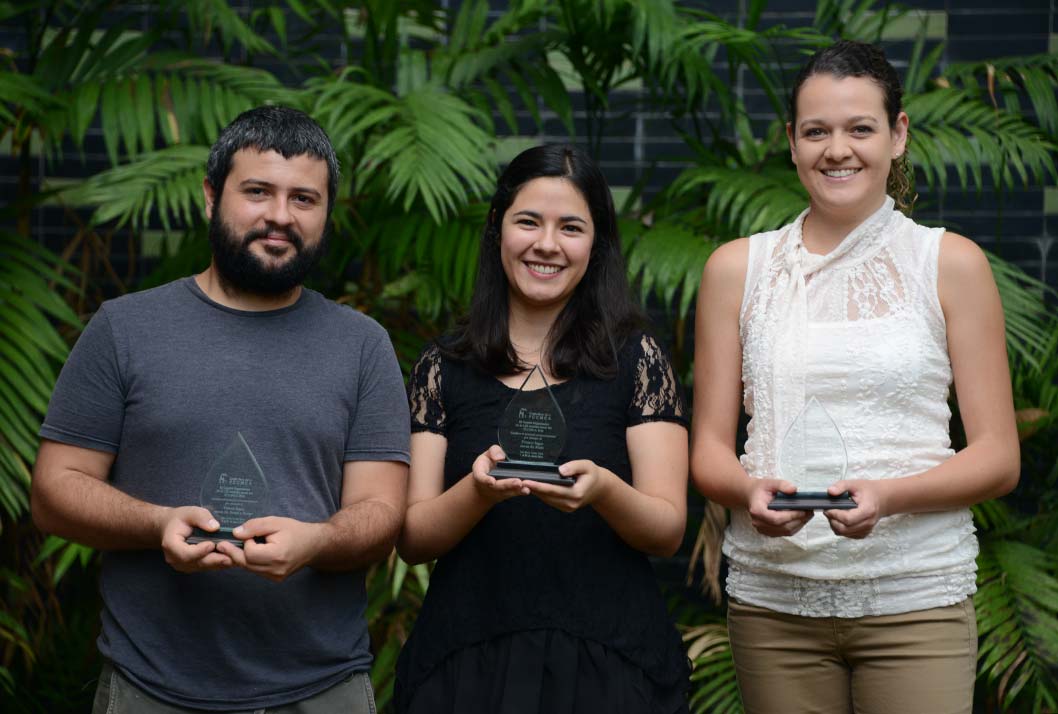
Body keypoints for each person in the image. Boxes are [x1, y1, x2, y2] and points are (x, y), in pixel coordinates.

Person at [31, 106, 410, 713]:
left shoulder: (361, 345)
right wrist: (157, 525)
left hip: (321, 688)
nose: (280, 216)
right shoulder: (125, 329)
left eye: (304, 199)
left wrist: (316, 541)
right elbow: (54, 492)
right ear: (212, 196)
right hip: (150, 687)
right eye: (258, 191)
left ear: (326, 213)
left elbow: (382, 512)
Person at [690, 39, 1020, 714]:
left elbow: (998, 457)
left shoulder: (950, 263)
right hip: (773, 605)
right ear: (791, 142)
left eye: (859, 128)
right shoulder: (736, 270)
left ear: (897, 135)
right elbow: (707, 454)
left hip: (914, 597)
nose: (836, 149)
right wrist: (751, 492)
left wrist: (888, 495)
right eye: (816, 131)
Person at [393, 144, 691, 714]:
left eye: (571, 227)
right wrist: (477, 492)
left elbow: (667, 529)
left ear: (596, 244)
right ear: (497, 230)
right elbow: (413, 538)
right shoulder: (443, 367)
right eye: (528, 221)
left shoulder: (636, 360)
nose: (547, 244)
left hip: (610, 664)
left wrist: (604, 490)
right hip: (467, 660)